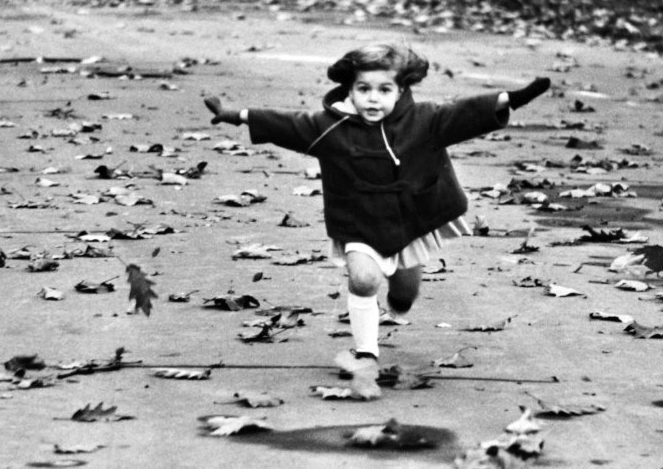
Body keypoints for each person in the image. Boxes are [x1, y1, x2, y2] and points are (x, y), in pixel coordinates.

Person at [204, 44, 550, 399]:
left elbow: (467, 113)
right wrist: (234, 115)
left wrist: (515, 98)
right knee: (364, 279)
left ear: (402, 91)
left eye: (384, 90)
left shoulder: (425, 121)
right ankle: (366, 353)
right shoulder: (330, 127)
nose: (373, 99)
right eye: (363, 89)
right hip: (358, 223)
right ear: (349, 90)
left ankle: (397, 306)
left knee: (404, 294)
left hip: (409, 222)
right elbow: (284, 124)